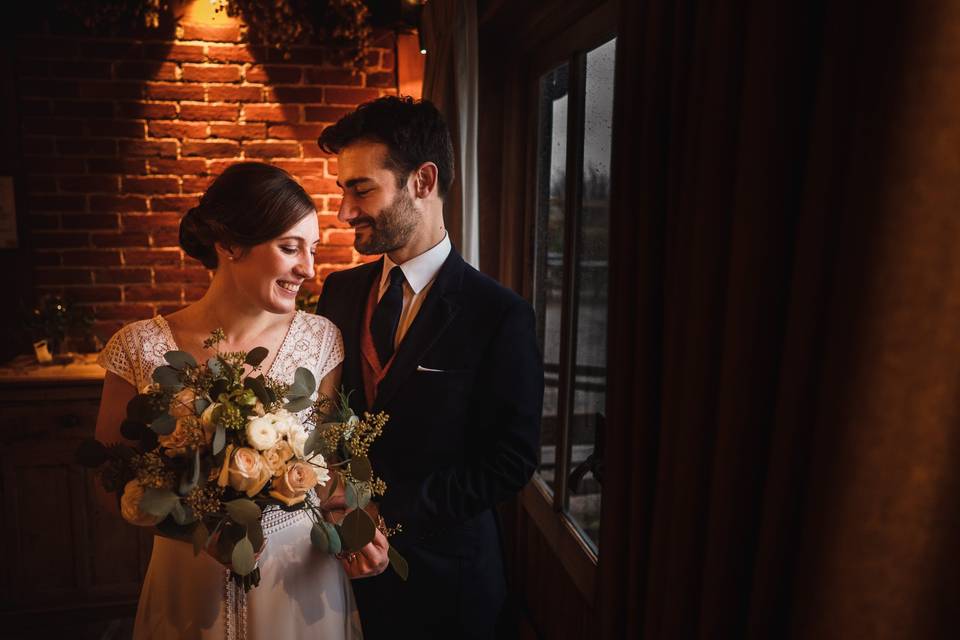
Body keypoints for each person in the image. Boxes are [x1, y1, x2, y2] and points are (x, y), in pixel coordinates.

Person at [94, 162, 379, 639]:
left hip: (298, 581)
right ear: (228, 245)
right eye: (290, 248)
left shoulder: (322, 340)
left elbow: (329, 467)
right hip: (188, 580)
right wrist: (190, 526)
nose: (308, 269)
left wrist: (356, 525)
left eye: (313, 250)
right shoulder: (138, 347)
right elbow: (108, 482)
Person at [316, 96, 544, 639]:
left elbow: (510, 461)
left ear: (422, 180)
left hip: (448, 583)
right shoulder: (339, 292)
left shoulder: (500, 315)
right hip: (336, 570)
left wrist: (381, 510)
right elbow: (322, 418)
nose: (345, 211)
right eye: (343, 190)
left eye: (361, 188)